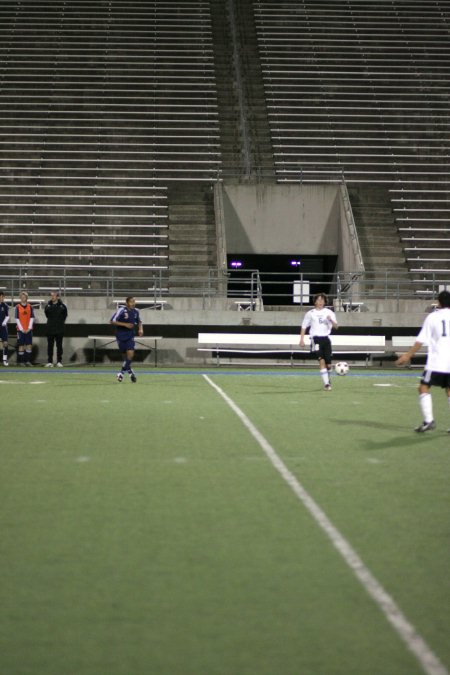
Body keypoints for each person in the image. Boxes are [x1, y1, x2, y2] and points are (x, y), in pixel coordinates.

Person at [396, 289, 450, 433]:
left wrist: (408, 355)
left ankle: (428, 421)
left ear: (438, 302)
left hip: (437, 362)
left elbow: (420, 340)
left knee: (423, 387)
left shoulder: (432, 317)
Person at [300, 292, 338, 390]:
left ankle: (327, 378)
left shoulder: (329, 312)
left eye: (322, 300)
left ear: (325, 301)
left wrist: (331, 320)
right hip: (315, 339)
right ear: (315, 302)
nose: (320, 302)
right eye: (318, 300)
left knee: (328, 365)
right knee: (321, 361)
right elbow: (304, 326)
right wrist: (302, 339)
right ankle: (326, 384)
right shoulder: (310, 313)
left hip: (326, 339)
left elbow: (336, 326)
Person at [110, 296, 144, 383]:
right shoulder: (121, 310)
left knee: (131, 354)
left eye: (134, 301)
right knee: (125, 358)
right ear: (127, 303)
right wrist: (125, 324)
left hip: (130, 336)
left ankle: (121, 373)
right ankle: (130, 372)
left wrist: (140, 329)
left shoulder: (136, 311)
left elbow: (139, 321)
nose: (133, 303)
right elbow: (112, 321)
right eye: (131, 302)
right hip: (120, 336)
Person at [44, 291, 68, 367]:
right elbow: (47, 315)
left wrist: (59, 323)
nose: (52, 297)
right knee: (50, 346)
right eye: (51, 295)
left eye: (54, 295)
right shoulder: (48, 306)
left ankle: (59, 362)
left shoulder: (63, 306)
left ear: (57, 297)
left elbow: (64, 316)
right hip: (50, 329)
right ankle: (50, 362)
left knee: (59, 346)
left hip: (59, 329)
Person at [15, 291, 35, 366]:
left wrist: (29, 328)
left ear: (27, 298)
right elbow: (17, 318)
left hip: (29, 330)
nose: (23, 298)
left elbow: (32, 317)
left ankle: (28, 361)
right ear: (20, 298)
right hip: (20, 330)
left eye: (25, 297)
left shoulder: (30, 307)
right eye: (22, 297)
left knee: (29, 345)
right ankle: (21, 362)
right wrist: (21, 329)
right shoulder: (17, 307)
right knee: (21, 345)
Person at [0, 291, 9, 366]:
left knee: (5, 344)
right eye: (1, 297)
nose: (2, 298)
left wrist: (4, 322)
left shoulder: (5, 306)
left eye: (3, 297)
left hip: (3, 328)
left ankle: (5, 360)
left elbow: (7, 316)